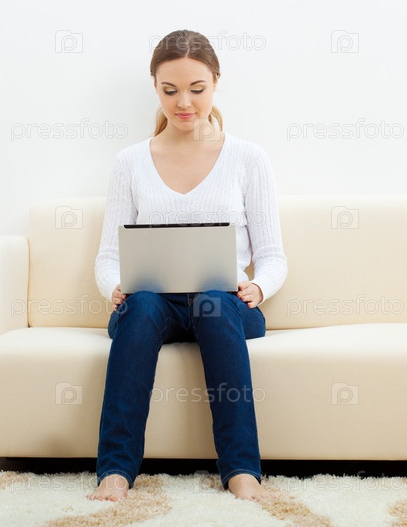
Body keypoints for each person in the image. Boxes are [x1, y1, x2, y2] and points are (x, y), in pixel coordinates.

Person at [87, 29, 287, 502]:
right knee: (140, 306)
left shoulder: (247, 158)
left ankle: (242, 471)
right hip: (155, 306)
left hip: (225, 306)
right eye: (170, 90)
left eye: (196, 89)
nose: (183, 103)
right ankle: (115, 471)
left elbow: (273, 256)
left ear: (215, 82)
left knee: (214, 303)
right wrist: (113, 286)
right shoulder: (130, 162)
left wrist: (258, 288)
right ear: (155, 88)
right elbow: (108, 257)